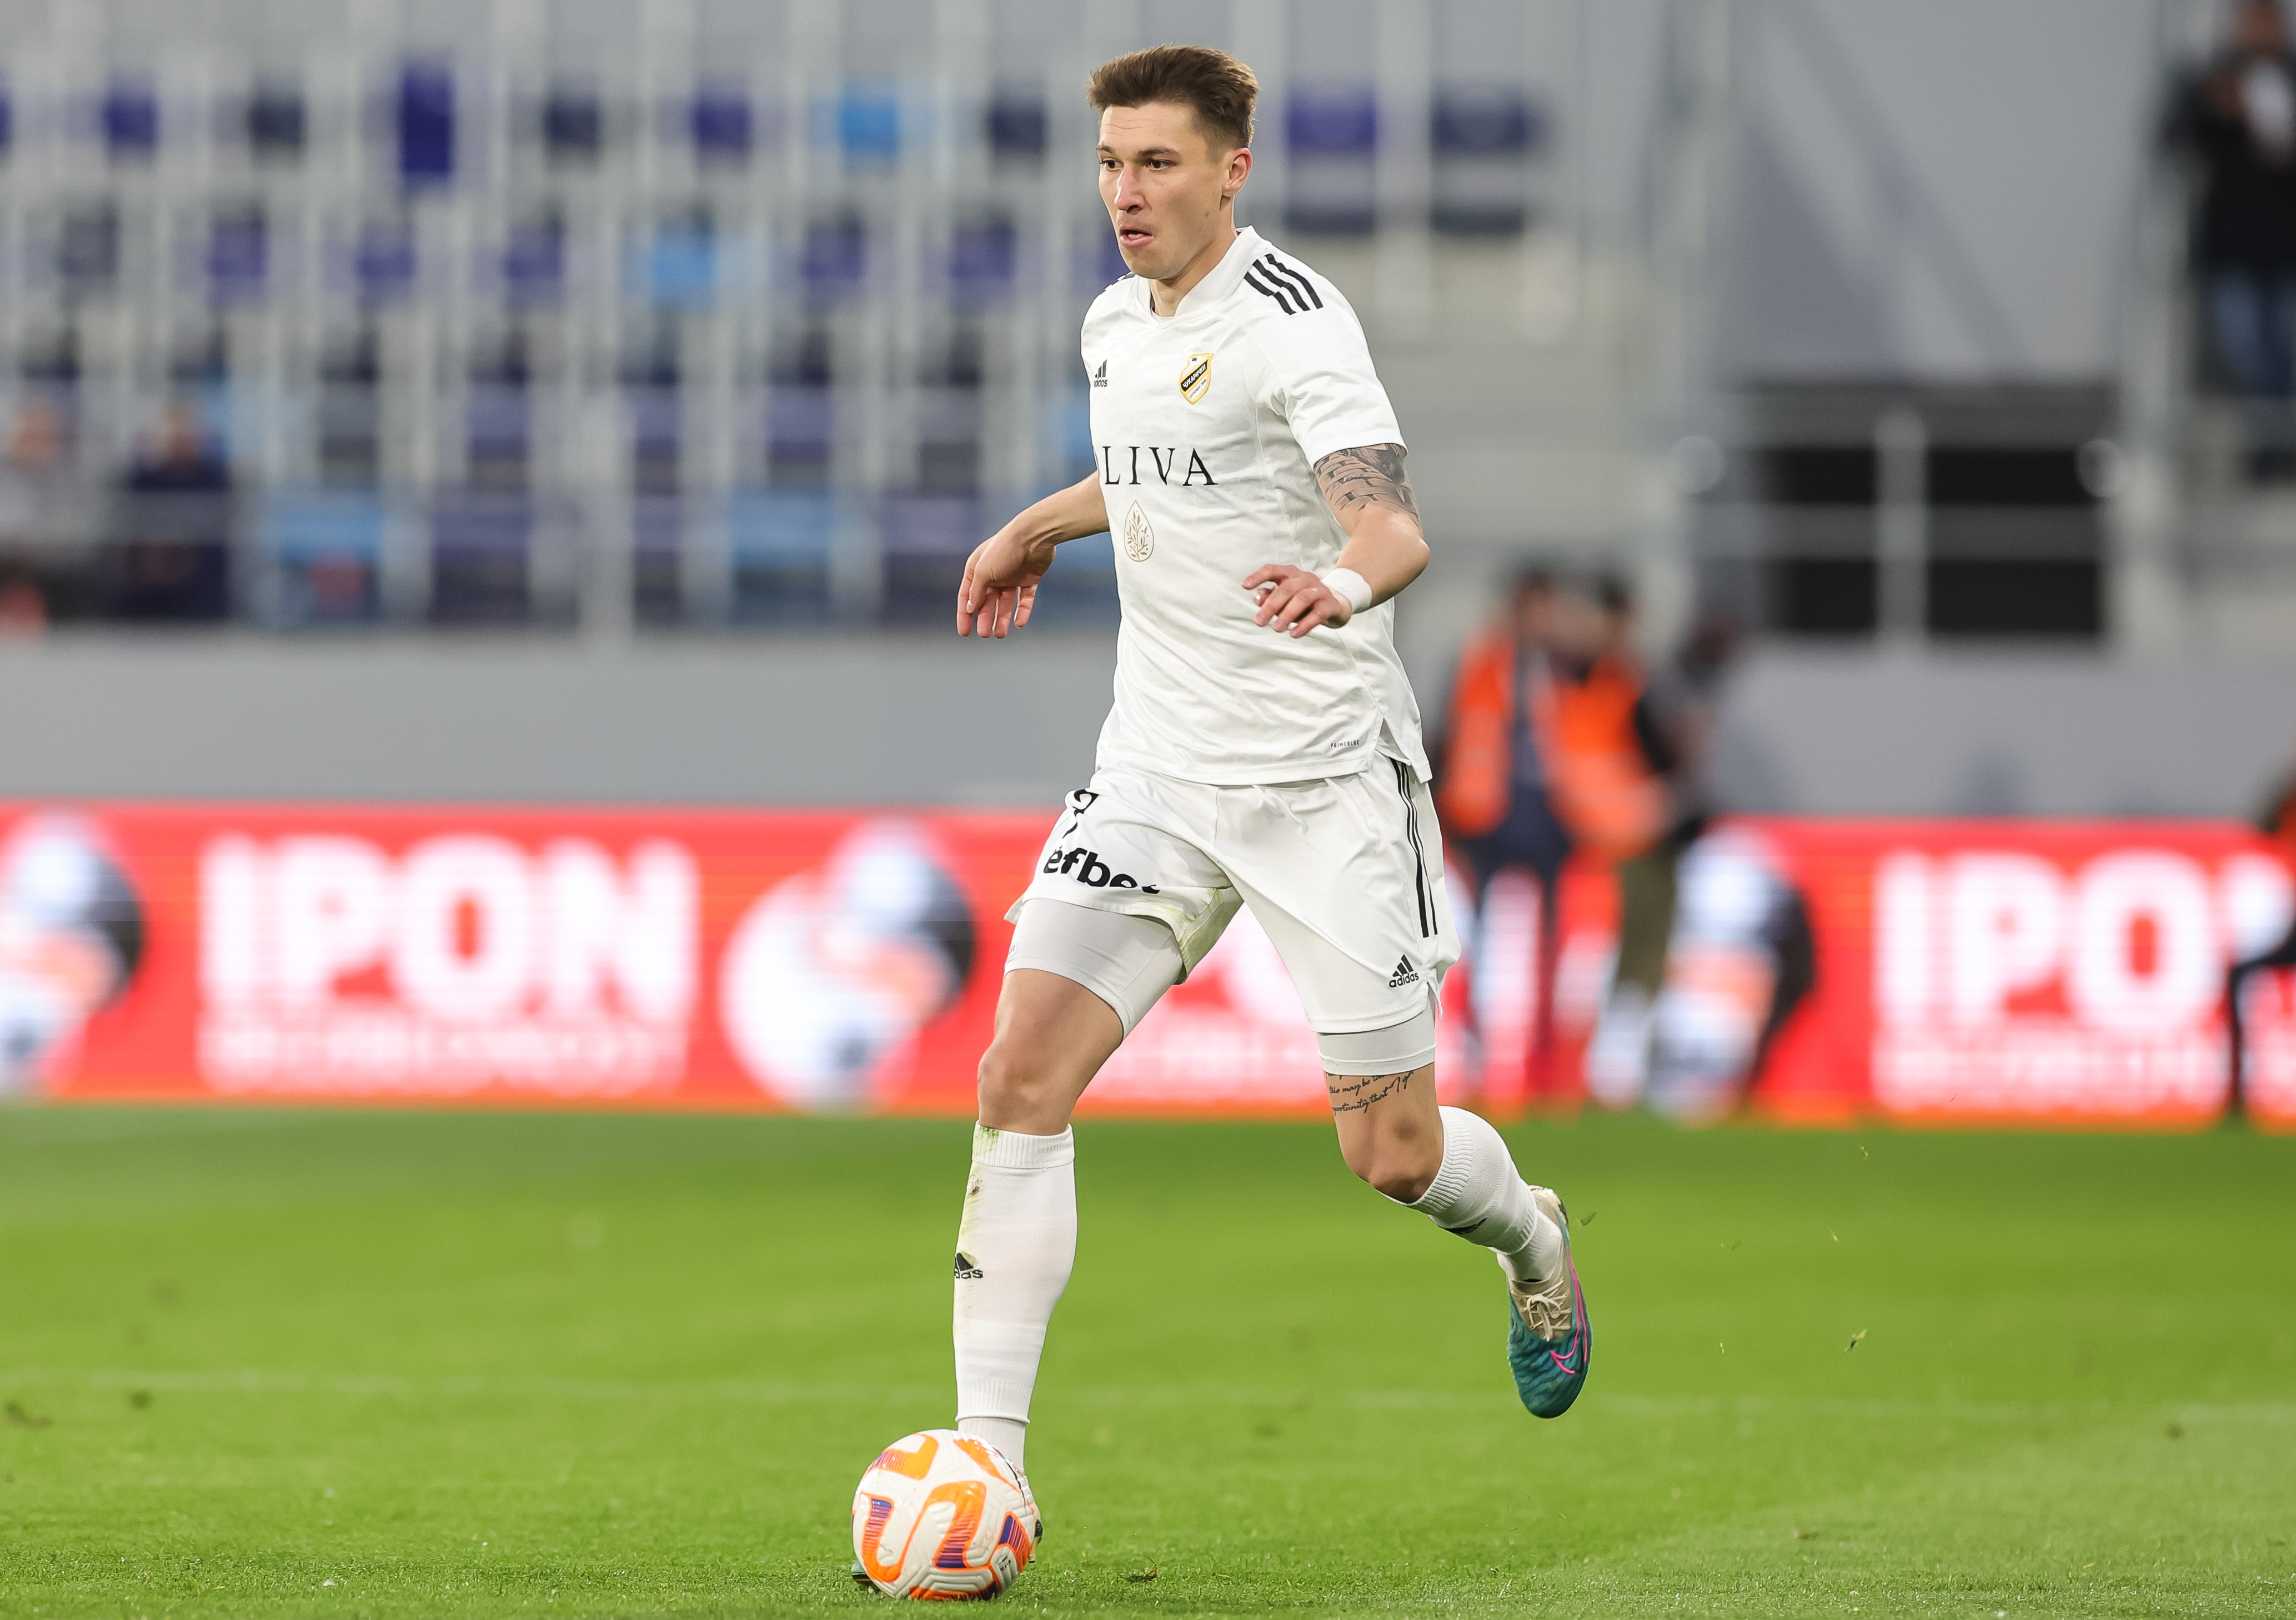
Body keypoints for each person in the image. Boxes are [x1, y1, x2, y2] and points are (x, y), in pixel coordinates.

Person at [935, 43, 1590, 1503]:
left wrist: (1339, 590)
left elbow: (1390, 524)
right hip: (1155, 772)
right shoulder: (1113, 321)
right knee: (1017, 1072)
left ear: (1231, 170)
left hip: (1320, 785)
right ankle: (990, 1461)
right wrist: (1038, 524)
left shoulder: (1297, 323)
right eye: (1109, 161)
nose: (1125, 191)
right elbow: (1160, 459)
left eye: (1156, 162)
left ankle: (1533, 1242)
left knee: (1393, 1149)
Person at [1543, 573, 1690, 1106]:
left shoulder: (1567, 679)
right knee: (1636, 956)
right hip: (1624, 842)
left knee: (1628, 956)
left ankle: (1609, 1071)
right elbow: (1667, 760)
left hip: (1592, 840)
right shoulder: (1624, 683)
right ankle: (1610, 1073)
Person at [1435, 565, 1575, 1096]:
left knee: (1552, 942)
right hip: (1488, 813)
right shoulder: (1483, 660)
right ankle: (1477, 1055)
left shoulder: (1562, 664)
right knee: (1481, 940)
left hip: (1549, 813)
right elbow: (1453, 734)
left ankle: (1549, 1062)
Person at [2168, 1, 2296, 473]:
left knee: (2281, 352)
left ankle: (2273, 450)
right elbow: (2173, 139)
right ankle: (2271, 447)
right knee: (2249, 351)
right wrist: (2216, 110)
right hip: (2233, 245)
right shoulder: (2212, 82)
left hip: (2287, 246)